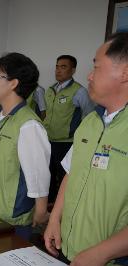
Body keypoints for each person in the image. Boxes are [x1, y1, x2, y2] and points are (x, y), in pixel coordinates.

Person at [44, 33, 128, 266]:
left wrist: (101, 253)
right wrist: (54, 220)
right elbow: (71, 174)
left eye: (97, 67)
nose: (89, 76)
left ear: (125, 72)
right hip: (69, 250)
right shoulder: (90, 123)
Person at [0, 52, 50, 240]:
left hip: (10, 217)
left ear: (13, 83)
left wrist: (40, 211)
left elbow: (38, 174)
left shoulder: (28, 125)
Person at [43, 55, 94, 202]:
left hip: (67, 142)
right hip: (48, 140)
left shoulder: (79, 92)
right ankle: (49, 206)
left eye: (63, 67)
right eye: (57, 66)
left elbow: (89, 117)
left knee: (64, 178)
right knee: (48, 175)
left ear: (73, 70)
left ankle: (61, 210)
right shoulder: (50, 90)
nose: (58, 70)